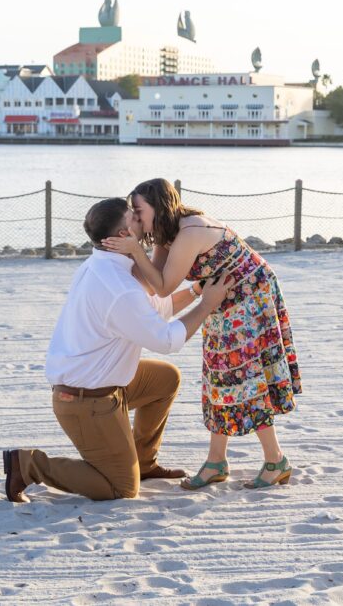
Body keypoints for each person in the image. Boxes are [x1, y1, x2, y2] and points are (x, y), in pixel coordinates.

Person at [2, 197, 233, 503]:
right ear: (123, 236)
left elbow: (155, 309)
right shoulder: (118, 288)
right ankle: (28, 465)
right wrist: (206, 306)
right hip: (85, 401)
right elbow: (166, 340)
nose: (143, 219)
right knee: (121, 488)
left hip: (101, 383)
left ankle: (144, 462)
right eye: (136, 218)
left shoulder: (105, 264)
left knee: (165, 379)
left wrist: (195, 290)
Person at [104, 178, 301, 490]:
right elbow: (148, 280)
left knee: (247, 378)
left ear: (159, 207)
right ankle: (215, 461)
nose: (137, 218)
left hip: (250, 296)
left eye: (139, 211)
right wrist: (122, 253)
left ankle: (275, 459)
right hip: (224, 298)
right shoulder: (166, 235)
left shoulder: (189, 232)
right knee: (218, 377)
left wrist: (133, 251)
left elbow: (165, 287)